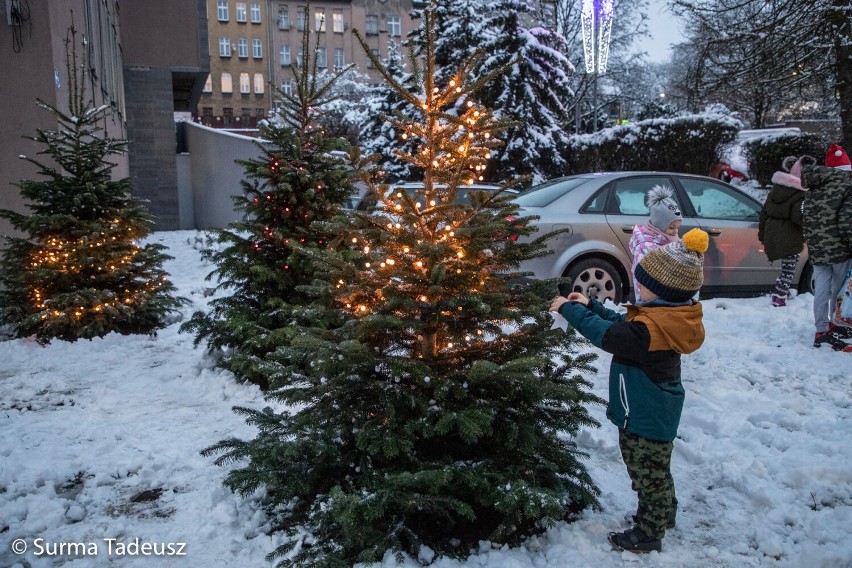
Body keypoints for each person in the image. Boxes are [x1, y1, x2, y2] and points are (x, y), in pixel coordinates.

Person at [550, 229, 708, 553]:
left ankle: (649, 532)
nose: (639, 287)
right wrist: (592, 304)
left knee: (646, 474)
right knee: (657, 470)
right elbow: (621, 323)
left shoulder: (649, 331)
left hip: (645, 415)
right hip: (652, 410)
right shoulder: (665, 317)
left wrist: (570, 310)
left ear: (663, 290)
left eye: (643, 283)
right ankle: (663, 514)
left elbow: (608, 335)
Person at [801, 143, 852, 351]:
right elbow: (847, 221)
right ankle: (837, 323)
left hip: (817, 247)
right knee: (840, 289)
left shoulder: (815, 186)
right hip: (840, 248)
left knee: (822, 288)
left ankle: (821, 330)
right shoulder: (847, 186)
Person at [758, 156, 810, 307]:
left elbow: (764, 213)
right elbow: (797, 217)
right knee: (790, 268)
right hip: (790, 234)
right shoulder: (800, 194)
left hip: (772, 232)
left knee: (785, 265)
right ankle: (779, 296)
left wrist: (762, 235)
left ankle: (783, 290)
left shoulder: (776, 190)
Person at [629, 185, 682, 303]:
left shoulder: (669, 239)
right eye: (672, 227)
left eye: (678, 227)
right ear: (659, 225)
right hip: (650, 301)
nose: (676, 231)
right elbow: (647, 277)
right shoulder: (645, 246)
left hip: (667, 298)